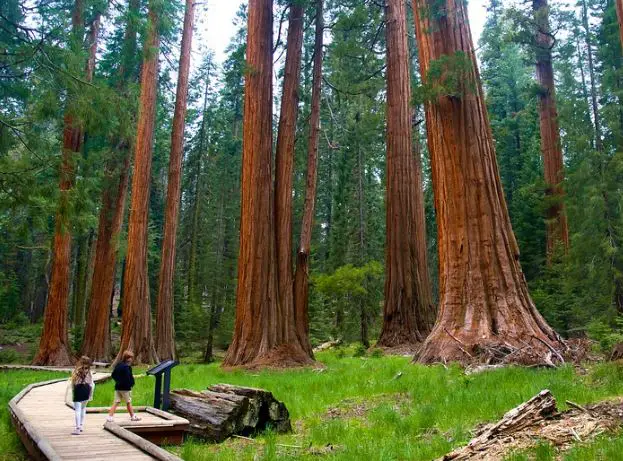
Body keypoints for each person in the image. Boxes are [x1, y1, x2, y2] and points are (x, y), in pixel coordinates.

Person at [106, 350, 141, 422]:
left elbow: (113, 375)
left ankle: (110, 416)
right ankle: (133, 416)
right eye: (129, 358)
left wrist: (118, 381)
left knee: (116, 402)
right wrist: (131, 384)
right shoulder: (127, 367)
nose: (131, 359)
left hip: (118, 387)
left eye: (131, 358)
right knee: (128, 402)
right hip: (125, 388)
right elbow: (128, 377)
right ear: (126, 358)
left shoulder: (118, 365)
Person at [70, 356, 94, 435]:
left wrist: (73, 390)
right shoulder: (89, 371)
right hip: (87, 389)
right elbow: (91, 383)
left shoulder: (77, 370)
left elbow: (73, 382)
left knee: (77, 410)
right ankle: (81, 425)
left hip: (78, 389)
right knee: (83, 408)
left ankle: (77, 428)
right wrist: (90, 394)